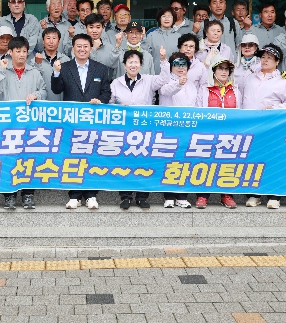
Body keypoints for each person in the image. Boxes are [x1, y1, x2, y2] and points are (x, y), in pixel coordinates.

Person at [52, 33, 112, 210]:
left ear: (91, 48)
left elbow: (106, 92)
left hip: (94, 121)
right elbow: (56, 90)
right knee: (73, 156)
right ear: (73, 48)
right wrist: (56, 73)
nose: (82, 49)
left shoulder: (101, 69)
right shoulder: (64, 67)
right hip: (72, 122)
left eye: (86, 46)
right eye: (78, 46)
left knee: (92, 156)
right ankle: (74, 195)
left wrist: (100, 101)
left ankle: (91, 195)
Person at [0, 36, 46, 210]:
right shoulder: (3, 70)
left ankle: (28, 195)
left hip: (30, 124)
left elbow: (44, 90)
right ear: (10, 52)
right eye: (18, 51)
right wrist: (0, 71)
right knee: (9, 160)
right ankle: (9, 195)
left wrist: (36, 95)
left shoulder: (34, 72)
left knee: (29, 159)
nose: (21, 54)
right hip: (9, 125)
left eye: (24, 51)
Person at [110, 48, 171, 210]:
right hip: (124, 130)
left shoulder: (148, 80)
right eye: (130, 62)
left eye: (136, 62)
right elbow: (109, 104)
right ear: (124, 65)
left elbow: (165, 79)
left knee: (144, 163)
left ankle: (142, 197)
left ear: (141, 65)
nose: (133, 65)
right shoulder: (116, 83)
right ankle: (126, 197)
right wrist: (118, 107)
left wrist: (163, 60)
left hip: (144, 129)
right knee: (125, 163)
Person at [238, 44, 286, 210]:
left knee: (272, 160)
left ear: (277, 62)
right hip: (250, 126)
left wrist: (275, 108)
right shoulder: (250, 77)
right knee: (252, 160)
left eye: (269, 58)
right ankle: (254, 194)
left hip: (272, 127)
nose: (265, 60)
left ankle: (274, 196)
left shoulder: (282, 81)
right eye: (263, 57)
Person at [196, 56, 240, 209]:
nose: (224, 71)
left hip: (230, 134)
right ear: (213, 70)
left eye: (227, 69)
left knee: (228, 164)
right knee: (205, 163)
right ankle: (203, 195)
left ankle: (226, 195)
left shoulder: (235, 90)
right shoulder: (204, 89)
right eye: (220, 68)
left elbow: (240, 113)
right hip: (208, 133)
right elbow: (199, 111)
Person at [158, 52, 198, 209]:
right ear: (171, 67)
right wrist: (178, 84)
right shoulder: (166, 80)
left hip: (188, 129)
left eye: (184, 65)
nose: (180, 68)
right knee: (169, 162)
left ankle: (182, 196)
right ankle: (168, 196)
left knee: (185, 162)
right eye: (177, 64)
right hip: (169, 129)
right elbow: (165, 91)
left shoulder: (192, 84)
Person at [33, 27, 70, 101]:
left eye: (54, 38)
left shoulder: (66, 60)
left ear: (59, 41)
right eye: (48, 38)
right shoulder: (34, 60)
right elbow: (33, 83)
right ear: (43, 41)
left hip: (61, 104)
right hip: (41, 104)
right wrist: (38, 64)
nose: (51, 41)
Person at [143, 7, 180, 75]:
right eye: (164, 16)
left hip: (174, 75)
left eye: (169, 16)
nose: (166, 19)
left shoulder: (179, 36)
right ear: (159, 19)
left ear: (173, 19)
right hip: (156, 74)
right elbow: (145, 55)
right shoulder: (151, 35)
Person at [85, 13, 120, 79]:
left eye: (98, 27)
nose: (94, 30)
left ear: (103, 27)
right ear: (86, 28)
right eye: (91, 27)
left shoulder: (109, 47)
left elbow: (114, 67)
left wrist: (117, 46)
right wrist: (94, 49)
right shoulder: (80, 47)